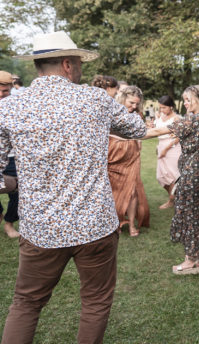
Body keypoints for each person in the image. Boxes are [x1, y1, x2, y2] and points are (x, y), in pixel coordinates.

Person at [0, 31, 146, 343]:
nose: (80, 67)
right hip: (94, 225)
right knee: (95, 302)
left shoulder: (9, 107)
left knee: (26, 304)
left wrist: (12, 183)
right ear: (68, 64)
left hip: (41, 227)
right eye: (78, 62)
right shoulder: (95, 99)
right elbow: (137, 127)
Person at [144, 86, 199, 274]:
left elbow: (154, 133)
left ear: (198, 100)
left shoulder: (190, 121)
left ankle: (190, 260)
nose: (185, 103)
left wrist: (129, 131)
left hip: (191, 172)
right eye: (184, 99)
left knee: (189, 214)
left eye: (187, 99)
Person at [108, 86, 150, 236]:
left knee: (132, 191)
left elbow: (140, 133)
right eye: (131, 102)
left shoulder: (136, 115)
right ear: (123, 98)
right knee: (114, 191)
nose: (134, 106)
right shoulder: (111, 112)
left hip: (131, 155)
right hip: (113, 154)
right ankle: (116, 222)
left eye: (136, 104)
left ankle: (132, 224)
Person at [0, 71, 19, 238]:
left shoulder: (18, 106)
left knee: (19, 191)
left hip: (14, 157)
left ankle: (9, 223)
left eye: (5, 91)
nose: (1, 94)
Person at [154, 95, 182, 209]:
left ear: (171, 107)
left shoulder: (176, 118)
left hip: (173, 147)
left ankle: (172, 201)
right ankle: (174, 197)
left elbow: (179, 136)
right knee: (161, 176)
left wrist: (166, 149)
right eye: (160, 107)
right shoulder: (160, 116)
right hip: (161, 145)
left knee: (172, 175)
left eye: (164, 107)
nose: (162, 110)